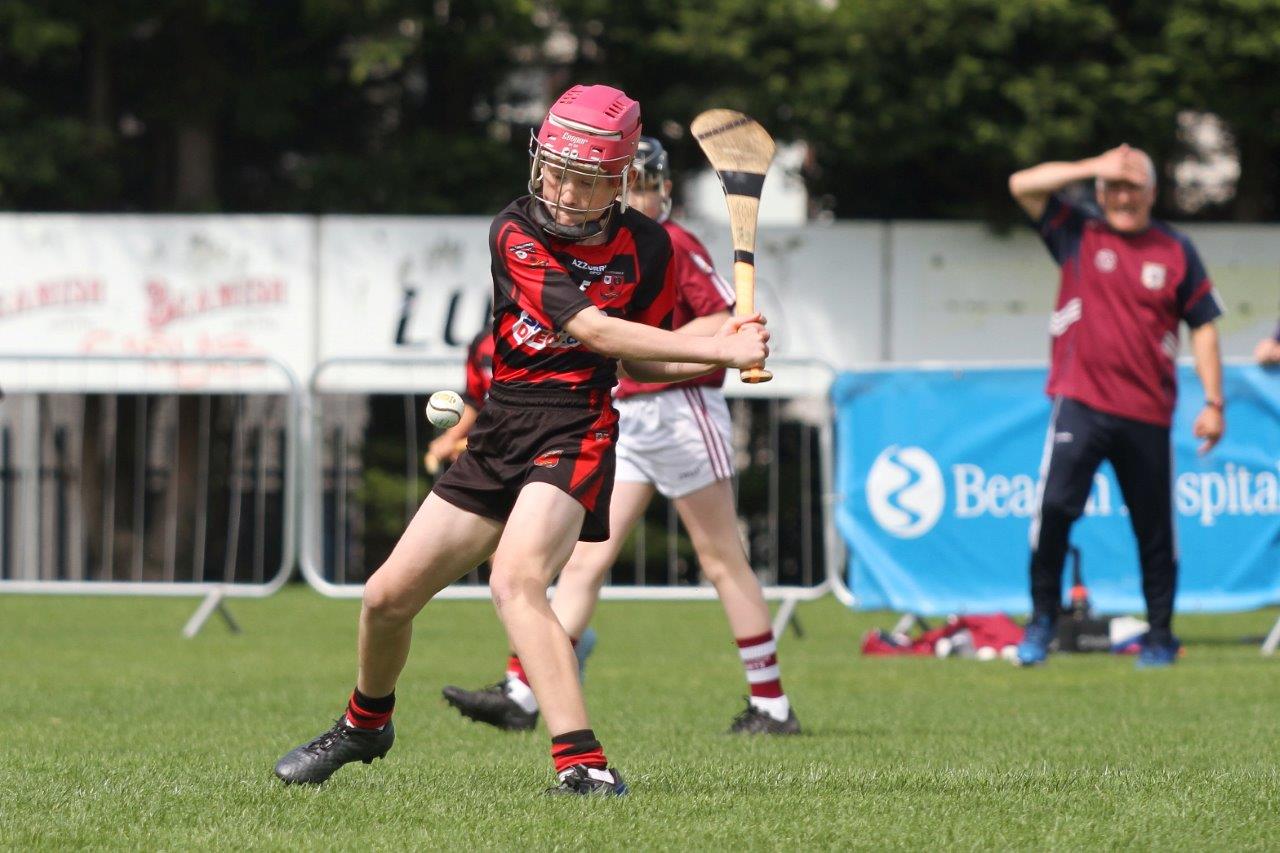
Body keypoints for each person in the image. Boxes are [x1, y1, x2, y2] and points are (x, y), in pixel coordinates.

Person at [272, 85, 770, 796]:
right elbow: (595, 329)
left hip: (578, 428)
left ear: (620, 178)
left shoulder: (649, 247)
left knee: (517, 578)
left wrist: (717, 345)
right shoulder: (516, 230)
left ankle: (582, 763)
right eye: (555, 170)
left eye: (585, 177)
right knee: (384, 597)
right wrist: (719, 347)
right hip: (504, 426)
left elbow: (640, 361)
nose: (563, 189)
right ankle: (364, 724)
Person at [442, 137, 800, 736]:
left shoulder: (670, 243)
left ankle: (771, 704)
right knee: (585, 560)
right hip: (626, 414)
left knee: (719, 558)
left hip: (681, 412)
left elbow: (722, 314)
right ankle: (523, 693)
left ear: (659, 189)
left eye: (645, 185)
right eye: (628, 185)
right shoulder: (594, 243)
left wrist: (711, 348)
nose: (634, 196)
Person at [1007, 143, 1225, 669]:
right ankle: (1041, 622)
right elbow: (1020, 184)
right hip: (1079, 401)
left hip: (1148, 412)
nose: (1122, 196)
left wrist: (1215, 402)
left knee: (1153, 529)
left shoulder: (1176, 249)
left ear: (1152, 192)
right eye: (1113, 186)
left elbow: (1205, 328)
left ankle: (1160, 636)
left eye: (1132, 186)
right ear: (1101, 190)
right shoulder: (1078, 232)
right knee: (1054, 510)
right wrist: (1090, 166)